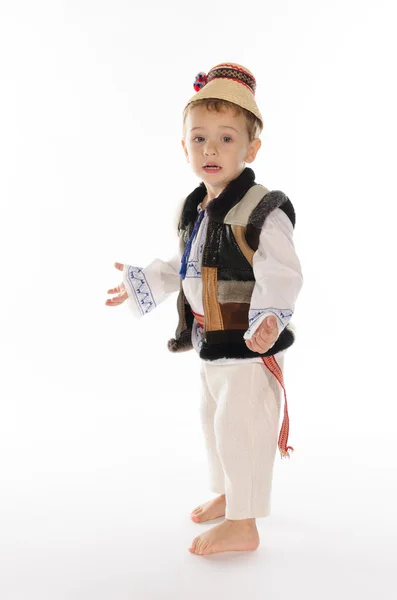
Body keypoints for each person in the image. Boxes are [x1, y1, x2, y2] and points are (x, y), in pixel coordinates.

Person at [105, 62, 303, 556]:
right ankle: (227, 493)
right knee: (213, 421)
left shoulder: (261, 209)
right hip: (212, 345)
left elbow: (283, 273)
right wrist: (142, 283)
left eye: (226, 138)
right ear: (184, 147)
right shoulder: (196, 208)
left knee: (243, 428)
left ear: (251, 148)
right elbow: (183, 267)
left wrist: (269, 318)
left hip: (248, 348)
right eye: (199, 139)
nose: (210, 150)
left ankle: (244, 523)